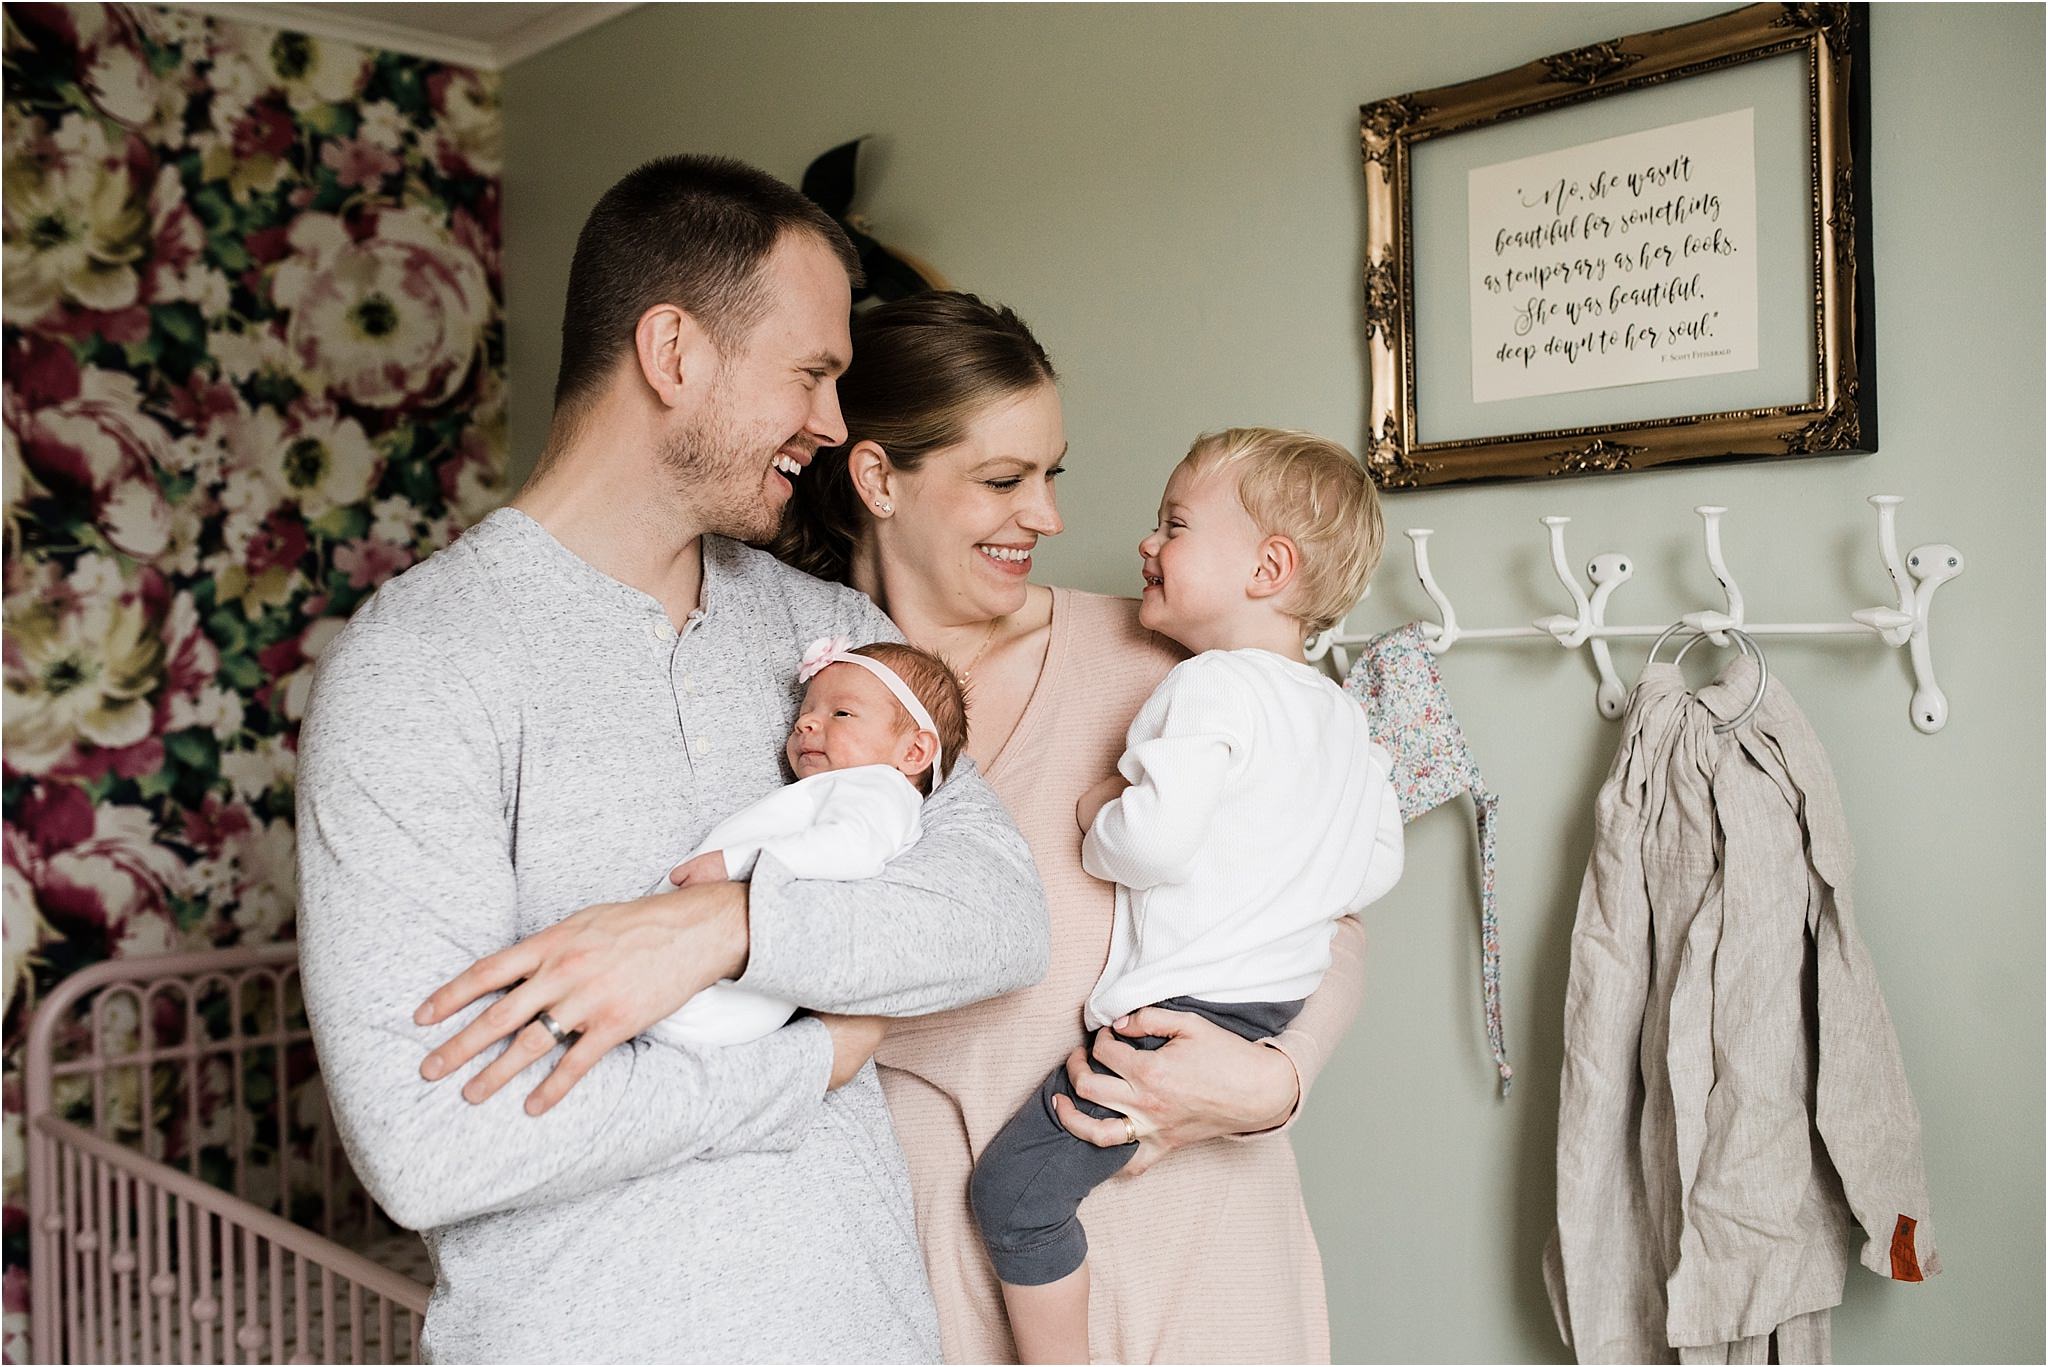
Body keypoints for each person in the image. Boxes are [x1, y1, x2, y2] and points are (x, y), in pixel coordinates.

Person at [294, 158, 1048, 1364]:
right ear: (672, 351)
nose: (833, 423)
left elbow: (1001, 917)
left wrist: (724, 928)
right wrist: (813, 1059)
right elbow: (430, 1137)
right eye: (810, 372)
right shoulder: (416, 667)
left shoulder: (835, 637)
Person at [774, 292, 1373, 1363]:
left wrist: (1273, 1080)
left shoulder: (1171, 668)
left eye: (1052, 476)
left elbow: (1330, 915)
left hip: (1201, 1260)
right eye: (1003, 480)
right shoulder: (804, 708)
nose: (1047, 518)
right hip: (929, 1275)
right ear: (875, 479)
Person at [966, 428, 1404, 1362]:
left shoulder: (1206, 687)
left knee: (1015, 1195)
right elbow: (1373, 869)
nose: (1146, 545)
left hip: (1177, 1016)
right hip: (1264, 1013)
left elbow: (1154, 841)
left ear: (1268, 566)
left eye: (1173, 525)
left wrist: (1099, 813)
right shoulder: (1342, 715)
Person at [650, 639, 969, 1048]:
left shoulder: (880, 786)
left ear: (913, 751)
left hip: (725, 986)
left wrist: (735, 863)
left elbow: (850, 849)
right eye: (805, 713)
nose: (805, 724)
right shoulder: (855, 787)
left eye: (841, 713)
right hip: (705, 968)